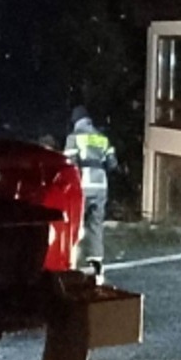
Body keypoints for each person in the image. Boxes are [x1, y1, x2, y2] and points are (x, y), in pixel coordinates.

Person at [64, 106, 118, 281]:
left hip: (82, 186)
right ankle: (97, 268)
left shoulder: (74, 138)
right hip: (101, 186)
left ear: (75, 121)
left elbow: (68, 165)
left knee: (75, 224)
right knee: (95, 225)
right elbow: (112, 164)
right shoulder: (102, 139)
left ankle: (72, 263)